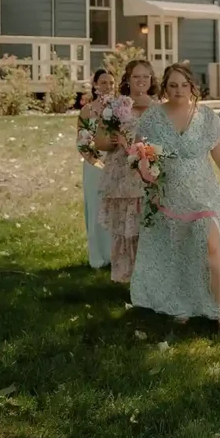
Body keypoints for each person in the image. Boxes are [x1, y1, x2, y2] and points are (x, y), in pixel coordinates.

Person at [130, 64, 220, 327]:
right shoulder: (152, 118)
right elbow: (141, 154)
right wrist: (146, 175)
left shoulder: (206, 116)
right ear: (164, 87)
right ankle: (181, 302)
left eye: (184, 85)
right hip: (169, 192)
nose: (179, 91)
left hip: (203, 191)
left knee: (212, 244)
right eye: (172, 86)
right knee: (178, 248)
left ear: (192, 87)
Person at [96, 60, 158, 284]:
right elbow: (100, 141)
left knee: (147, 222)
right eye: (136, 77)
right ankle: (126, 274)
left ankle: (149, 273)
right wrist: (115, 140)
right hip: (122, 171)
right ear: (128, 80)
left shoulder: (158, 107)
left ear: (151, 81)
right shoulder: (117, 105)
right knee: (126, 224)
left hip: (149, 170)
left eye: (146, 77)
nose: (141, 81)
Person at [77, 68, 114, 269]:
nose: (108, 86)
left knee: (114, 207)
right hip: (95, 164)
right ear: (95, 85)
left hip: (117, 163)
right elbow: (82, 143)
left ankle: (115, 252)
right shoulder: (87, 111)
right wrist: (97, 161)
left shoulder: (120, 109)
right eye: (104, 82)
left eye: (111, 83)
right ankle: (98, 255)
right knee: (96, 205)